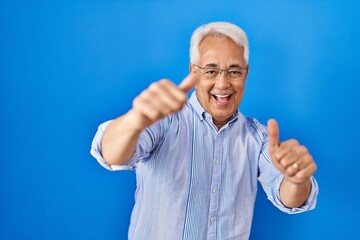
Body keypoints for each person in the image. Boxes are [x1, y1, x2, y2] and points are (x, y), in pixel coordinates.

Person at [91, 21, 318, 239]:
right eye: (211, 71)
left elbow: (289, 197)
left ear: (246, 73)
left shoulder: (258, 137)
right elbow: (111, 154)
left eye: (234, 72)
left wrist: (297, 180)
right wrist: (134, 121)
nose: (222, 84)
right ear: (193, 71)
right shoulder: (164, 119)